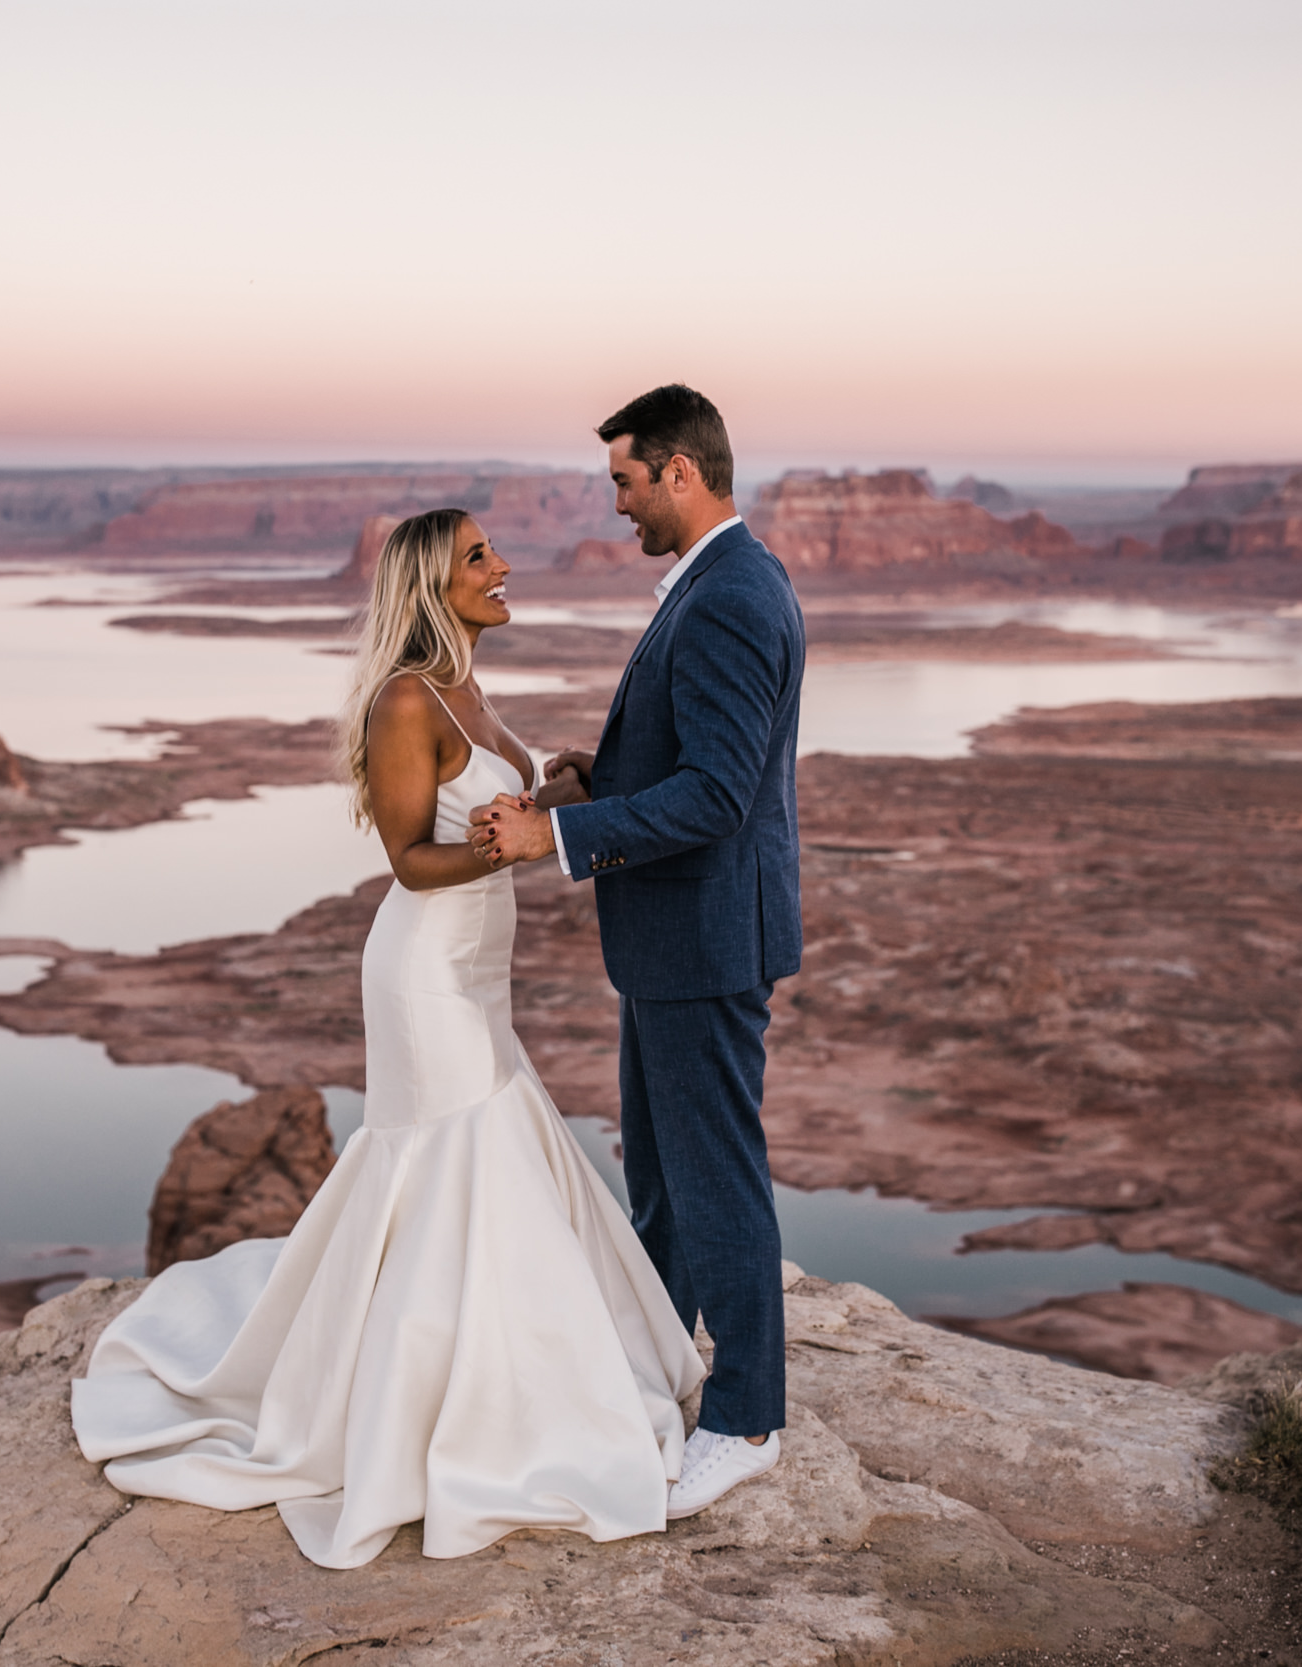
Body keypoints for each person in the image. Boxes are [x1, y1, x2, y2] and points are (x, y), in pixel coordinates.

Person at [69, 506, 704, 1570]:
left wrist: (558, 795)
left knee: (481, 1152)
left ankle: (471, 1368)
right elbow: (414, 858)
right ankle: (444, 1404)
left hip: (476, 972)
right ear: (428, 585)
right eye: (477, 558)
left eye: (494, 552)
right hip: (423, 973)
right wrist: (521, 841)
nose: (502, 567)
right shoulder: (407, 699)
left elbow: (499, 819)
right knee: (458, 1156)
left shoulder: (467, 686)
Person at [469, 384, 804, 1520]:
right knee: (660, 1178)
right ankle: (656, 1370)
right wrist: (597, 778)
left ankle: (747, 1414)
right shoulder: (720, 581)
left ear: (676, 469)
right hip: (675, 940)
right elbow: (698, 761)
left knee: (715, 1178)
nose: (613, 504)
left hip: (704, 938)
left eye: (622, 480)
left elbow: (716, 793)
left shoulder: (724, 596)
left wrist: (551, 832)